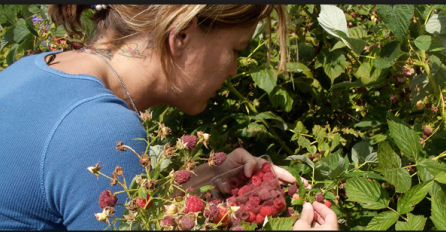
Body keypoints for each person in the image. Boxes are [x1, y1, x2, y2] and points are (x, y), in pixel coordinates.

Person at [0, 4, 338, 230]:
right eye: (235, 49)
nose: (234, 69)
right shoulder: (102, 131)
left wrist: (209, 175)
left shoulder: (34, 68)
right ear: (181, 35)